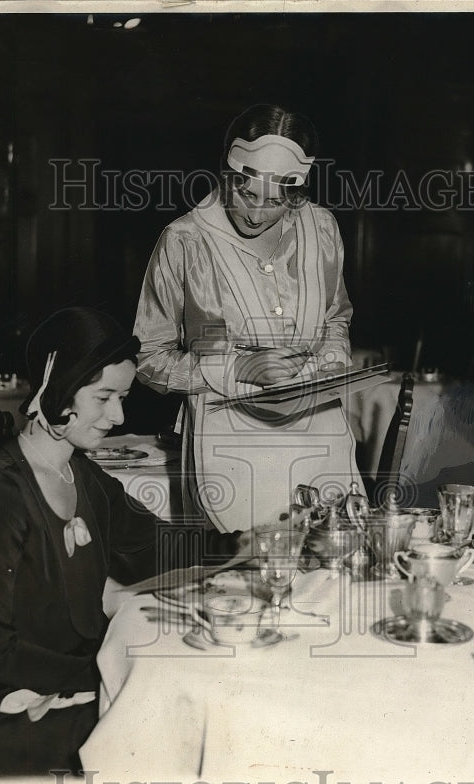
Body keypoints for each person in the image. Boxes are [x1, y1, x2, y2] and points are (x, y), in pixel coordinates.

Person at [0, 307, 245, 776]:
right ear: (59, 393)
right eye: (104, 397)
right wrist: (108, 674)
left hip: (57, 674)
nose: (117, 415)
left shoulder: (84, 476)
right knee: (166, 736)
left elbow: (157, 546)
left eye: (122, 397)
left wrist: (246, 545)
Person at [134, 104, 359, 532]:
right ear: (226, 175)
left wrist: (331, 356)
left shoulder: (322, 229)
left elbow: (336, 317)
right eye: (247, 195)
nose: (257, 214)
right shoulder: (185, 241)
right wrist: (238, 368)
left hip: (320, 437)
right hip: (228, 445)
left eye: (275, 201)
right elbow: (150, 358)